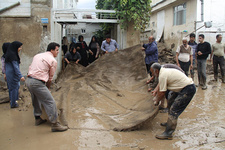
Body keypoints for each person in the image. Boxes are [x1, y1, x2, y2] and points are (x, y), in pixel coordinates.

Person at [25, 42, 68, 132]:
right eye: (57, 50)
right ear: (51, 50)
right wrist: (47, 88)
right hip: (37, 82)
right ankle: (55, 124)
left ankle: (37, 118)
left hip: (29, 80)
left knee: (36, 99)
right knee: (50, 102)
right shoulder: (53, 60)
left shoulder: (37, 56)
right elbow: (49, 79)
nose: (58, 52)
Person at [150, 63, 196, 140]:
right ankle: (169, 122)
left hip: (188, 89)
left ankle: (168, 133)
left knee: (174, 110)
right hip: (181, 88)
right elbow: (160, 87)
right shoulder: (163, 72)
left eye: (152, 72)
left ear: (156, 71)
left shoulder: (163, 75)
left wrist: (156, 101)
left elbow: (162, 92)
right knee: (170, 102)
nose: (152, 74)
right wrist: (155, 93)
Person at [4, 41, 25, 108]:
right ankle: (13, 103)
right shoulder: (13, 56)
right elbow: (15, 67)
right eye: (19, 47)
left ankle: (13, 101)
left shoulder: (8, 54)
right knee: (14, 88)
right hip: (13, 75)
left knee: (11, 88)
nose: (20, 49)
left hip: (9, 74)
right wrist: (20, 76)